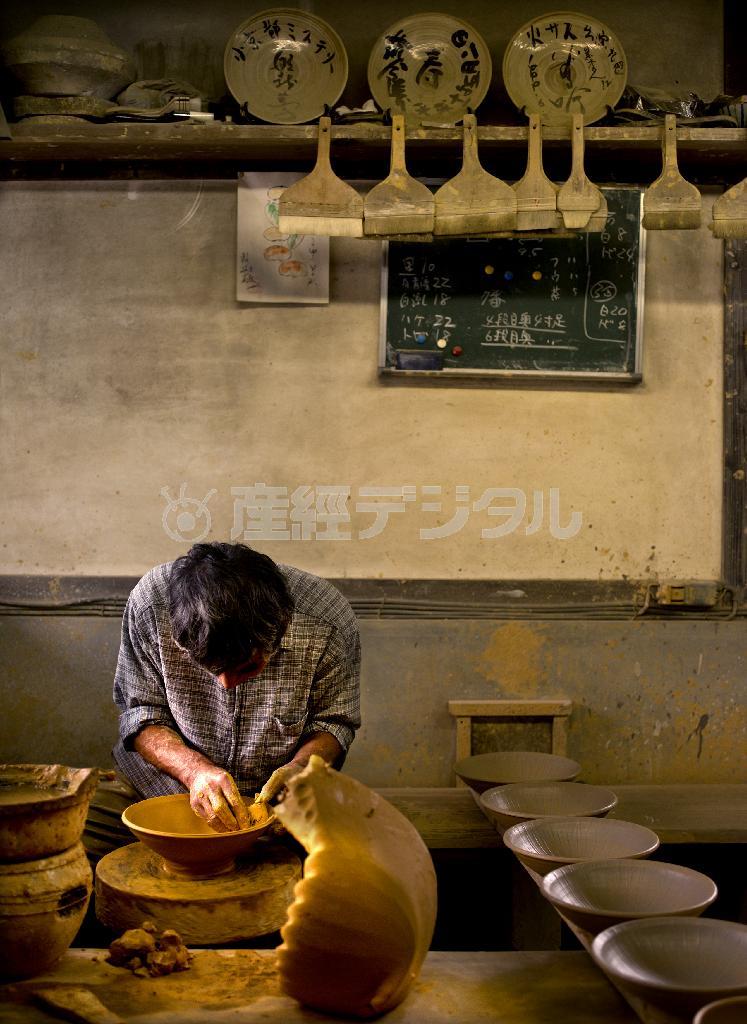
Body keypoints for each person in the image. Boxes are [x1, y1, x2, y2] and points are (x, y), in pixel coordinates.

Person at [110, 541, 361, 834]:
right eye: (211, 670)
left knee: (359, 853)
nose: (226, 685)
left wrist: (300, 769)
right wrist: (193, 770)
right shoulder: (150, 605)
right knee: (73, 836)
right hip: (152, 786)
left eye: (247, 668)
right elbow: (140, 713)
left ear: (281, 629)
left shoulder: (327, 621)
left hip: (278, 806)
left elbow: (333, 723)